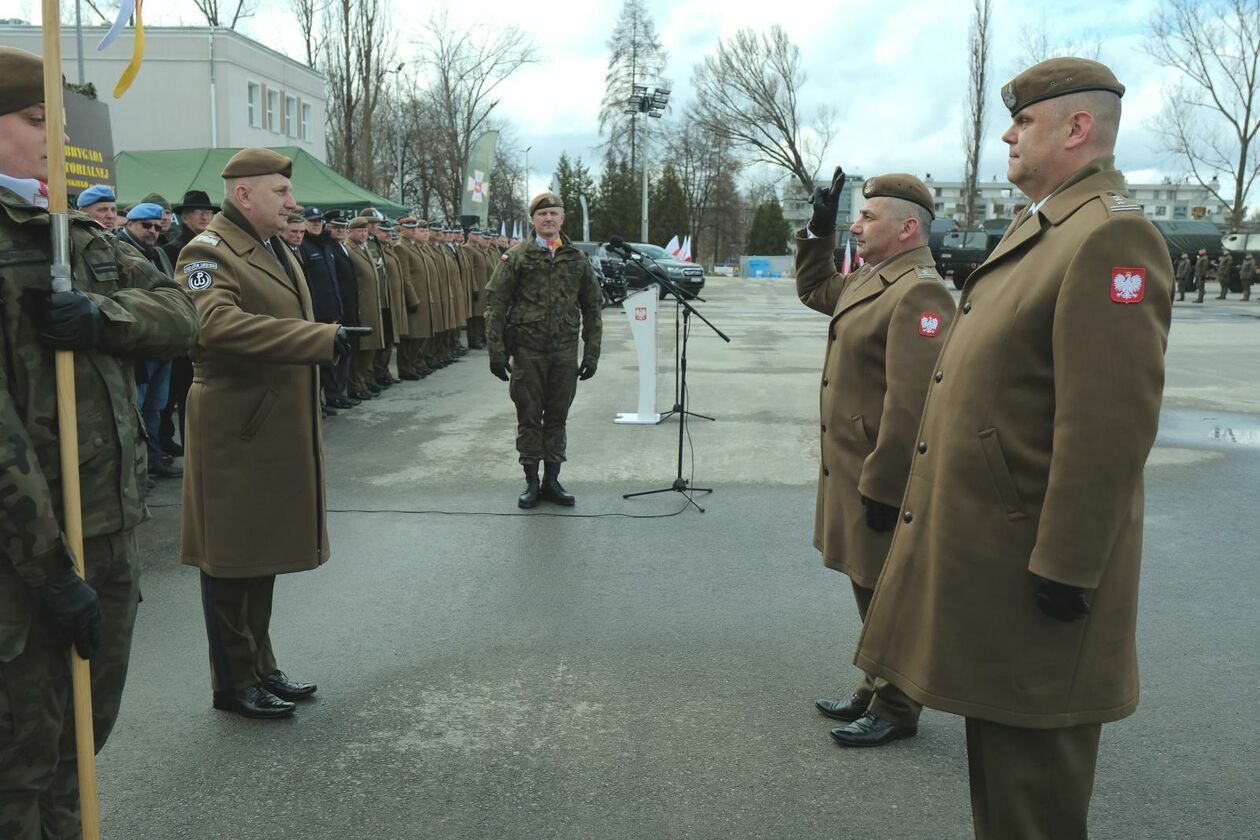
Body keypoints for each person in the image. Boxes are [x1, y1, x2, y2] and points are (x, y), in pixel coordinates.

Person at [854, 58, 1172, 840]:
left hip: (1040, 576)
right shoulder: (1049, 225)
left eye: (1024, 121)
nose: (1008, 133)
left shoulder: (1111, 235)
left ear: (1076, 128)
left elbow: (1107, 426)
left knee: (1032, 806)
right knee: (1003, 795)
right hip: (998, 567)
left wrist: (1067, 567)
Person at [0, 46, 199, 837]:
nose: (53, 137)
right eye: (31, 120)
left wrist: (103, 320)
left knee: (86, 741)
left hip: (109, 529)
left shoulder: (75, 233)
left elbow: (183, 316)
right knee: (21, 760)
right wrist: (49, 570)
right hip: (27, 558)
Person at [175, 147, 356, 720]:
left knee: (262, 552)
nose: (292, 203)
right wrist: (317, 340)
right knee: (231, 556)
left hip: (269, 422)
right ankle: (232, 681)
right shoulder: (200, 252)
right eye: (281, 192)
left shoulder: (273, 246)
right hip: (235, 425)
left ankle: (260, 664)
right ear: (243, 194)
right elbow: (212, 322)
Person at [796, 170, 955, 748]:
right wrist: (817, 229)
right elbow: (815, 292)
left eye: (868, 218)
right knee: (867, 583)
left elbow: (912, 405)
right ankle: (874, 683)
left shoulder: (920, 291)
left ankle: (897, 705)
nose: (856, 226)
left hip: (877, 475)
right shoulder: (873, 277)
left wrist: (886, 486)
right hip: (852, 468)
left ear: (908, 227)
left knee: (887, 590)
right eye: (855, 217)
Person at [485, 192, 602, 508]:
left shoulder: (576, 260)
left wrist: (592, 352)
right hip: (528, 352)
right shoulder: (517, 258)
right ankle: (531, 482)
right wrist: (495, 352)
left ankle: (552, 479)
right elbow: (496, 305)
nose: (548, 219)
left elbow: (592, 307)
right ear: (533, 220)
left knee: (557, 419)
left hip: (564, 353)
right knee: (529, 418)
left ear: (562, 219)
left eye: (554, 213)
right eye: (542, 214)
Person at [116, 202, 184, 481]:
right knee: (137, 411)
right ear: (130, 223)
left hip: (162, 344)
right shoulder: (118, 249)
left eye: (157, 226)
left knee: (156, 407)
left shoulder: (157, 253)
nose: (153, 231)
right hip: (139, 344)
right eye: (146, 225)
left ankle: (152, 461)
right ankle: (135, 470)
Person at [345, 216, 386, 400]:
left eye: (365, 231)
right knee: (361, 347)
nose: (363, 234)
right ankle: (356, 384)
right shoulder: (349, 249)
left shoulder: (364, 248)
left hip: (372, 303)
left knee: (371, 344)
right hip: (361, 304)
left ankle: (366, 380)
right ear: (350, 231)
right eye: (359, 231)